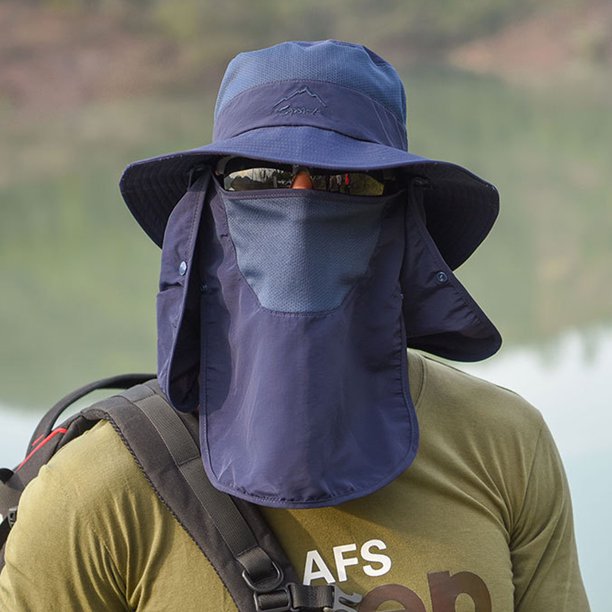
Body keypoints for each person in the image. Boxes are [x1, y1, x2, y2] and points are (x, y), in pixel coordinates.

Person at [0, 40, 589, 611]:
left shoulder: (505, 444)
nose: (301, 210)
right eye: (258, 178)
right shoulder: (94, 492)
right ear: (209, 214)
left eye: (347, 183)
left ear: (401, 220)